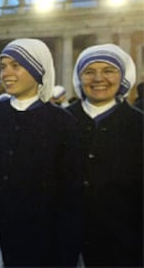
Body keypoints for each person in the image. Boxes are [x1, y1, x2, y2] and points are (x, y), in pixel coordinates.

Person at [0, 38, 82, 267]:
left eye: (16, 66)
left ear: (38, 70)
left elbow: (69, 195)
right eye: (3, 66)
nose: (6, 73)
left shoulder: (63, 123)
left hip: (37, 245)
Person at [67, 43, 143, 266]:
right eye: (89, 72)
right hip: (66, 246)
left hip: (124, 246)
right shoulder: (60, 122)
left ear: (122, 76)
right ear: (79, 77)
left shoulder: (139, 124)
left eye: (109, 70)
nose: (98, 78)